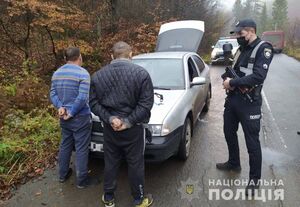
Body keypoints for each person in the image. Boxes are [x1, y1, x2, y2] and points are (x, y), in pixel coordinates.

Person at [89, 41, 154, 207]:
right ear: (131, 54)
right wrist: (128, 121)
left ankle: (109, 197)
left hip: (111, 128)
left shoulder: (97, 76)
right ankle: (139, 199)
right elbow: (146, 104)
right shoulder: (141, 74)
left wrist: (110, 118)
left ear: (112, 56)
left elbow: (93, 103)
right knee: (135, 163)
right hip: (133, 129)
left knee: (111, 162)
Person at [216, 19, 274, 196]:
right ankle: (234, 162)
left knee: (252, 143)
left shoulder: (264, 48)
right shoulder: (241, 49)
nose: (238, 37)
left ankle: (254, 181)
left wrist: (232, 82)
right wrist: (229, 79)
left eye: (240, 34)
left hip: (250, 103)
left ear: (250, 31)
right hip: (233, 99)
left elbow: (258, 76)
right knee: (228, 132)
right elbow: (238, 70)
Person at [50, 47, 92, 188]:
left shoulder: (56, 74)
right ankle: (82, 181)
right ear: (79, 57)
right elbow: (82, 98)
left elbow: (53, 94)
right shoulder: (83, 74)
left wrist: (60, 107)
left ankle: (62, 175)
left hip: (64, 117)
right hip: (80, 117)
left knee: (65, 144)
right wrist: (72, 112)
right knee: (81, 148)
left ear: (65, 59)